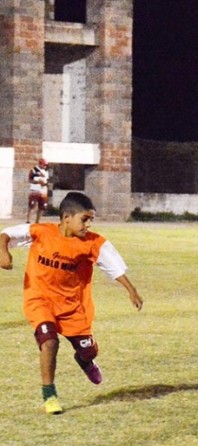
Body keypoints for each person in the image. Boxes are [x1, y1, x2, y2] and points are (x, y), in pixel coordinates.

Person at [0, 192, 143, 414]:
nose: (88, 224)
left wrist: (131, 290)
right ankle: (49, 395)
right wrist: (3, 252)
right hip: (39, 300)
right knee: (49, 342)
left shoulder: (93, 242)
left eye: (90, 220)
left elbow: (113, 266)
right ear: (66, 217)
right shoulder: (41, 232)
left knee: (89, 351)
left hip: (72, 306)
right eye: (84, 219)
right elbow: (6, 234)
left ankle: (85, 361)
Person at [26, 158, 50, 224]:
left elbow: (47, 181)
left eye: (45, 165)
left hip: (43, 191)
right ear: (40, 164)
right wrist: (38, 182)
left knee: (42, 206)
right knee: (32, 205)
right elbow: (30, 180)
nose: (45, 166)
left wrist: (45, 184)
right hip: (35, 190)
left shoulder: (46, 172)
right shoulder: (33, 170)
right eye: (43, 165)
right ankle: (28, 220)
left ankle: (37, 221)